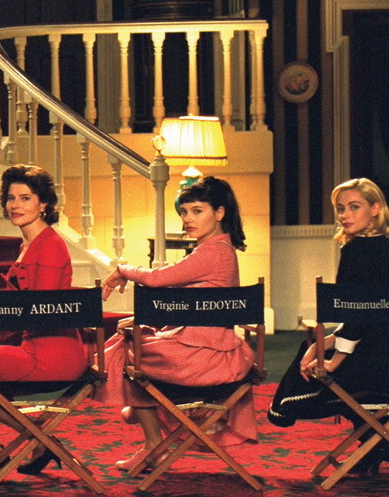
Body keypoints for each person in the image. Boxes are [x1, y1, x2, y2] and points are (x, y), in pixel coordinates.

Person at [100, 176, 258, 470]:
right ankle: (150, 428)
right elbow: (192, 306)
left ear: (219, 213)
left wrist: (123, 270)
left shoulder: (213, 253)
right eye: (184, 212)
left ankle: (151, 441)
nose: (187, 219)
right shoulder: (218, 249)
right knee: (132, 339)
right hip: (207, 348)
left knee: (124, 352)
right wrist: (145, 319)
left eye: (197, 211)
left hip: (207, 356)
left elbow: (157, 279)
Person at [0, 165, 87, 477]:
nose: (15, 205)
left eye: (25, 198)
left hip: (52, 355)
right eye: (11, 198)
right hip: (34, 347)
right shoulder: (29, 244)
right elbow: (16, 312)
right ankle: (34, 440)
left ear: (43, 204)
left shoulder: (49, 245)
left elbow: (34, 310)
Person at [267, 178, 389, 473]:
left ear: (375, 208)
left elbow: (358, 317)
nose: (344, 215)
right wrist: (323, 345)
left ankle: (376, 442)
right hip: (380, 348)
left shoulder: (358, 250)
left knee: (320, 368)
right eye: (341, 208)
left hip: (377, 362)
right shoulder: (382, 246)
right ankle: (374, 443)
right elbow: (363, 317)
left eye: (354, 207)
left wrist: (333, 360)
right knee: (311, 348)